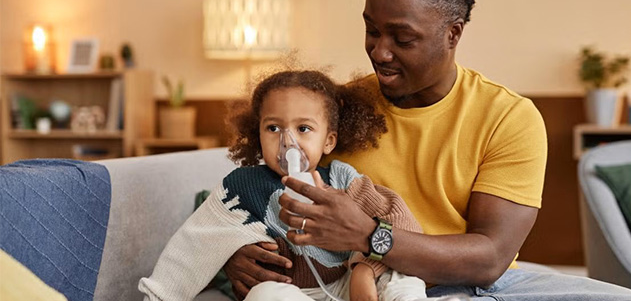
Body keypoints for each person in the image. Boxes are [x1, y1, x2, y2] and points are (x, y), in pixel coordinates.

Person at [222, 0, 631, 300]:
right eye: (371, 29)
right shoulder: (333, 110)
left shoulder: (508, 117)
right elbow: (258, 190)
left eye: (402, 38)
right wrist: (234, 254)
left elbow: (489, 258)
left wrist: (369, 236)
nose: (379, 51)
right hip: (351, 285)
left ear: (452, 33)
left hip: (473, 286)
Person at [138, 70, 426, 301]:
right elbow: (192, 248)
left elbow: (401, 223)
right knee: (264, 295)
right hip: (293, 292)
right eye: (273, 128)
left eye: (303, 128)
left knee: (403, 278)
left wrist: (366, 269)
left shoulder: (343, 179)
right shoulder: (241, 188)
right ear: (258, 133)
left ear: (329, 141)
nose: (288, 142)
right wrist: (158, 295)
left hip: (348, 285)